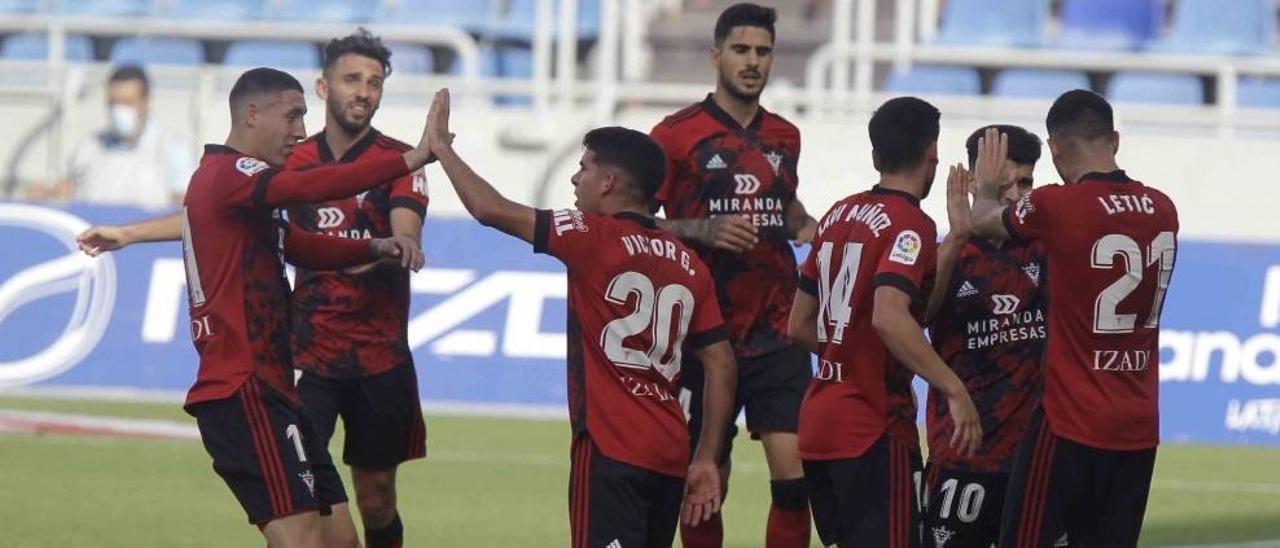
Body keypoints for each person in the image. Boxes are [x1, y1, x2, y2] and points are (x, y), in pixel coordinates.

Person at [75, 67, 434, 548]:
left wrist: (372, 248)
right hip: (244, 390)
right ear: (251, 113)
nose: (300, 131)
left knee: (339, 539)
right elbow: (310, 189)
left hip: (277, 388)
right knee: (301, 538)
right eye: (292, 116)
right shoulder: (231, 173)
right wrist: (410, 158)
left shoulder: (241, 199)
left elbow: (302, 245)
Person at [424, 88, 738, 548]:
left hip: (613, 450)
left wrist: (442, 149)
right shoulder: (690, 263)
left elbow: (489, 208)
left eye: (584, 168)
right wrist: (707, 456)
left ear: (608, 182)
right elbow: (722, 363)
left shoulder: (590, 235)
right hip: (670, 451)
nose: (575, 180)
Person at [966, 90, 1179, 547]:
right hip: (1138, 424)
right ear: (1115, 140)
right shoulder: (1164, 208)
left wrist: (985, 187)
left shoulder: (1057, 206)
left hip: (1070, 421)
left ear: (1056, 149)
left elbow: (984, 221)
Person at [648, 4, 817, 546]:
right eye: (741, 51)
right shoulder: (674, 135)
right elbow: (638, 226)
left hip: (777, 329)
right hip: (703, 335)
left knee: (796, 481)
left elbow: (784, 207)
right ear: (716, 55)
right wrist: (702, 228)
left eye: (762, 52)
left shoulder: (785, 136)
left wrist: (814, 229)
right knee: (703, 482)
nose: (752, 62)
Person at [787, 96, 982, 548]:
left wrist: (954, 242)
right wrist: (953, 388)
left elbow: (798, 325)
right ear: (932, 152)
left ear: (876, 156)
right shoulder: (909, 224)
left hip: (820, 425)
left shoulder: (838, 214)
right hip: (872, 428)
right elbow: (890, 317)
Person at [283, 29, 428, 548]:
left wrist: (400, 245)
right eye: (351, 79)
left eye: (374, 82)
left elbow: (406, 226)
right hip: (307, 357)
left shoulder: (401, 159)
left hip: (379, 359)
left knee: (376, 497)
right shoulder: (292, 161)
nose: (363, 91)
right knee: (298, 496)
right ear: (324, 88)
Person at [921, 125, 1047, 548]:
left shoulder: (1046, 249)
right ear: (972, 182)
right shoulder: (950, 252)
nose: (1014, 195)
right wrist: (958, 237)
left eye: (1025, 183)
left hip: (1034, 461)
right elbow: (917, 314)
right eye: (1000, 184)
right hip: (962, 456)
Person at [47, 64, 195, 209]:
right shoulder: (90, 145)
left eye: (127, 102)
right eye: (113, 103)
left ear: (145, 102)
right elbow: (62, 192)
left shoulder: (170, 148)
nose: (118, 110)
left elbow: (184, 209)